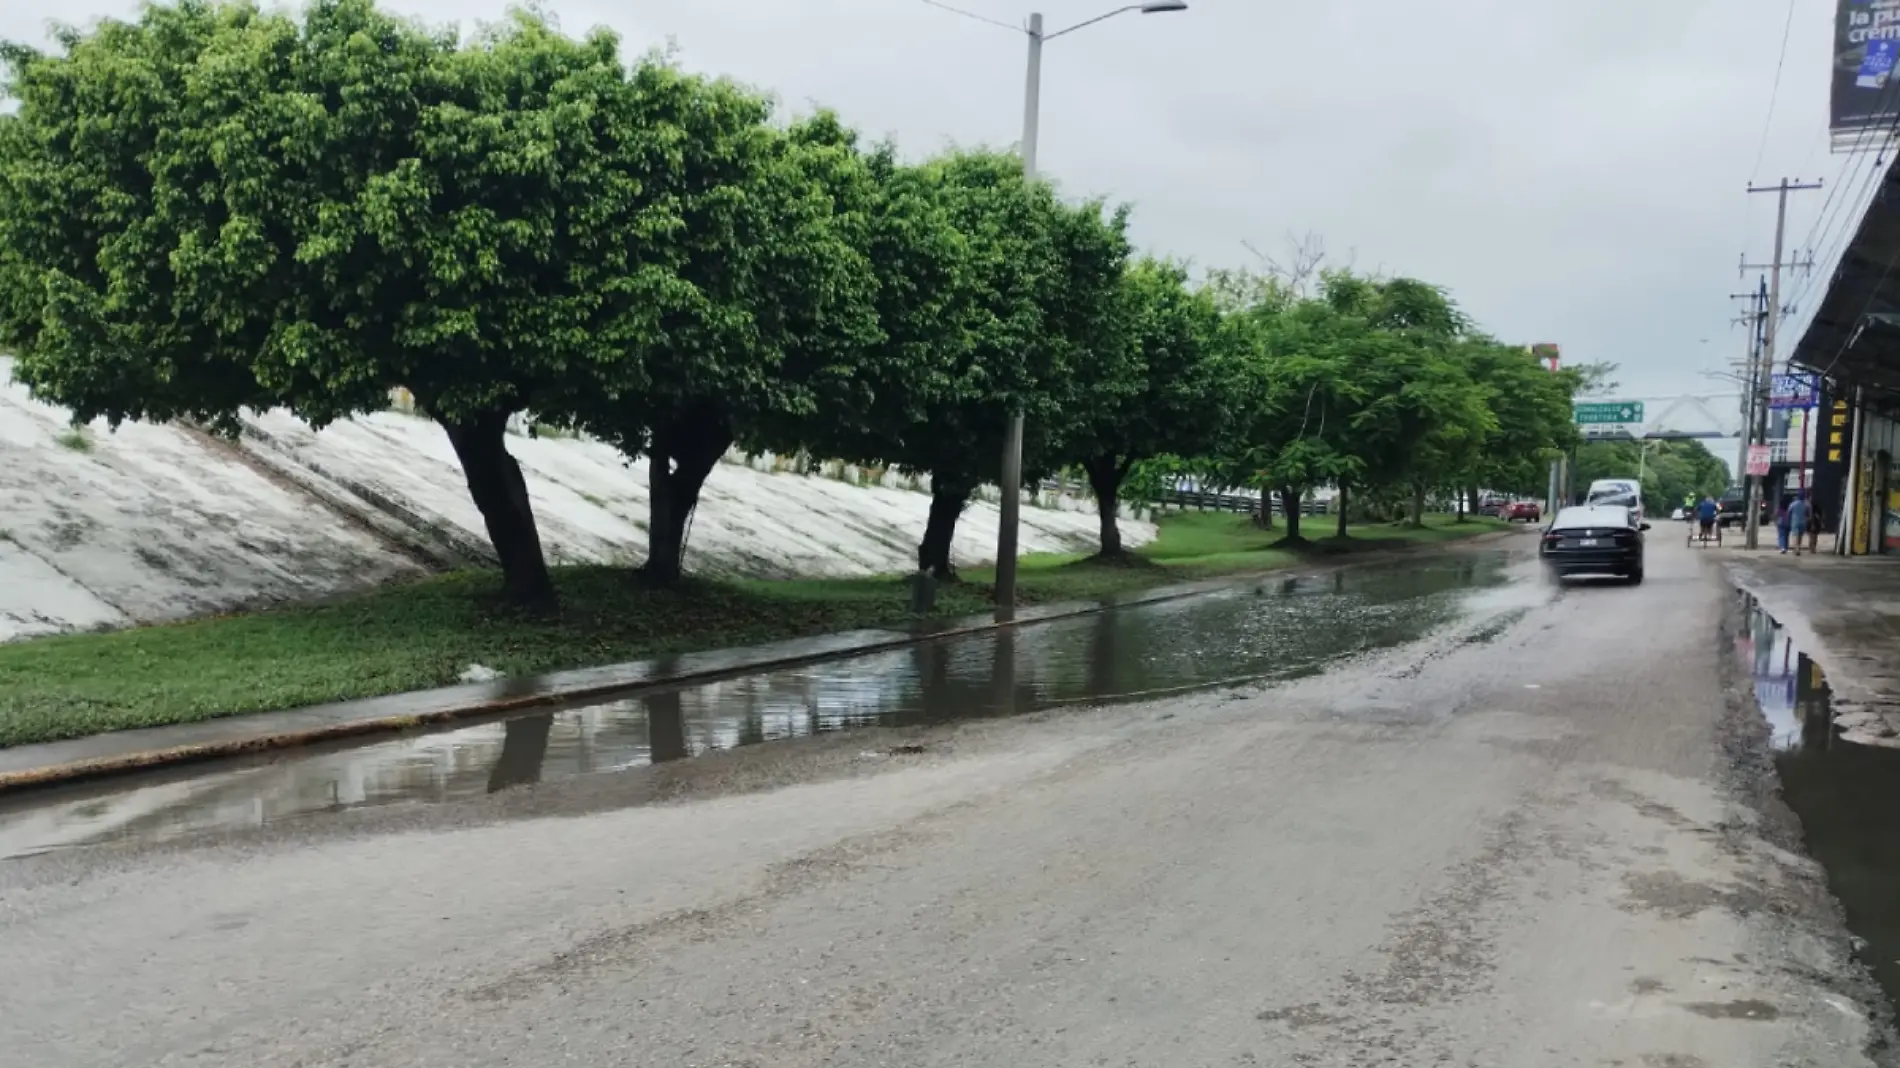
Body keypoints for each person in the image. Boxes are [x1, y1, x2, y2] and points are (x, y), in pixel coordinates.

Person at [1788, 491, 1811, 557]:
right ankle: (1799, 547)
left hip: (1795, 521)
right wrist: (1808, 519)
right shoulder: (1807, 504)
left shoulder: (1793, 504)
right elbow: (1809, 513)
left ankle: (1796, 548)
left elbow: (1789, 512)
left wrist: (1789, 519)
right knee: (1800, 536)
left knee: (1795, 535)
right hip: (1803, 522)